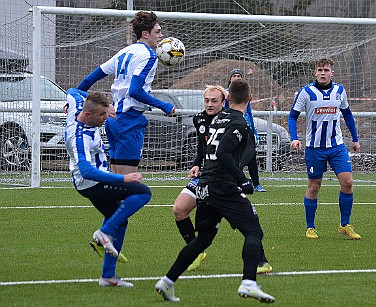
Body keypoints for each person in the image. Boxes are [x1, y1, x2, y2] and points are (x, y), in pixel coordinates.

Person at [156, 79, 275, 303]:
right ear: (250, 100)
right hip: (222, 186)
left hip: (204, 185)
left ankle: (167, 281)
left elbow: (212, 148)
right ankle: (249, 283)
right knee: (253, 231)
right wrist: (244, 181)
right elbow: (222, 153)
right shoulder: (239, 123)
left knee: (204, 239)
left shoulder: (219, 118)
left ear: (227, 99)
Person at [173, 85, 272, 274]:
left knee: (246, 223)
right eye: (207, 100)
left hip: (225, 177)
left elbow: (247, 148)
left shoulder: (232, 120)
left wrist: (236, 172)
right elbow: (203, 147)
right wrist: (196, 164)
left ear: (224, 102)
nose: (209, 104)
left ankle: (261, 261)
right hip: (206, 176)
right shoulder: (200, 119)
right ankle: (196, 250)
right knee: (179, 209)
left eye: (214, 101)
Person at [65, 88, 152, 287]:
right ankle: (104, 233)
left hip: (95, 181)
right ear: (88, 115)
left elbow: (72, 90)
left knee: (121, 221)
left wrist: (108, 106)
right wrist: (123, 178)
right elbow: (87, 171)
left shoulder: (79, 104)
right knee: (143, 193)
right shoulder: (79, 138)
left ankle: (108, 277)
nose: (107, 118)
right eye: (102, 115)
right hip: (93, 184)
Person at [77, 11, 175, 176]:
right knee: (129, 185)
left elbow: (89, 79)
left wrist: (74, 98)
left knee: (117, 184)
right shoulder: (149, 56)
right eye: (157, 32)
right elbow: (135, 91)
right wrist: (164, 105)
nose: (161, 36)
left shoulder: (125, 51)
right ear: (145, 34)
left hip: (113, 120)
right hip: (129, 121)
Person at [288, 57, 361, 240]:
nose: (323, 73)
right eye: (320, 70)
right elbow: (292, 116)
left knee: (348, 183)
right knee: (314, 187)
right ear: (315, 72)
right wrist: (294, 138)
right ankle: (310, 227)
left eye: (326, 70)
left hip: (336, 146)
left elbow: (347, 114)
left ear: (332, 73)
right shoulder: (306, 92)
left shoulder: (339, 91)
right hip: (314, 148)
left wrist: (355, 138)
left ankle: (345, 225)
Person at [226, 69, 266, 192]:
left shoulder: (245, 95)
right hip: (232, 129)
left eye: (239, 76)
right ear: (230, 79)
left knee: (252, 156)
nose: (237, 78)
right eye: (234, 76)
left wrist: (253, 130)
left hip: (246, 128)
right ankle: (237, 181)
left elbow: (249, 113)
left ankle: (256, 183)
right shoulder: (226, 94)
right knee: (235, 156)